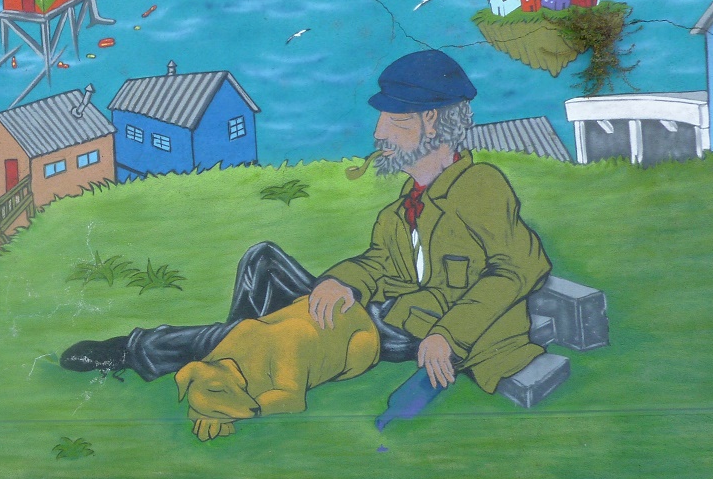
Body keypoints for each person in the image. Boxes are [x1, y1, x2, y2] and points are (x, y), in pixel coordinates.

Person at [60, 49, 552, 432]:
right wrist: (343, 282)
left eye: (394, 120)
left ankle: (144, 350)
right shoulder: (403, 206)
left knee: (258, 331)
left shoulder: (480, 187)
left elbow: (519, 267)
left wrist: (450, 335)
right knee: (263, 260)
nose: (379, 132)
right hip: (377, 307)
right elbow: (380, 261)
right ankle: (243, 354)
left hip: (408, 326)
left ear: (432, 122)